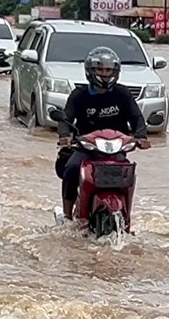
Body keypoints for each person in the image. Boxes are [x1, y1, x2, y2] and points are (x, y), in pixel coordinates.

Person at [56, 46, 151, 220]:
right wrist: (65, 135)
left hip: (116, 149)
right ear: (89, 71)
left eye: (108, 70)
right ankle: (67, 216)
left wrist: (141, 136)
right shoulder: (79, 95)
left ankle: (127, 217)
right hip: (86, 149)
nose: (105, 74)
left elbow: (136, 117)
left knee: (127, 173)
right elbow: (65, 118)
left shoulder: (122, 94)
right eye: (99, 69)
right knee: (71, 169)